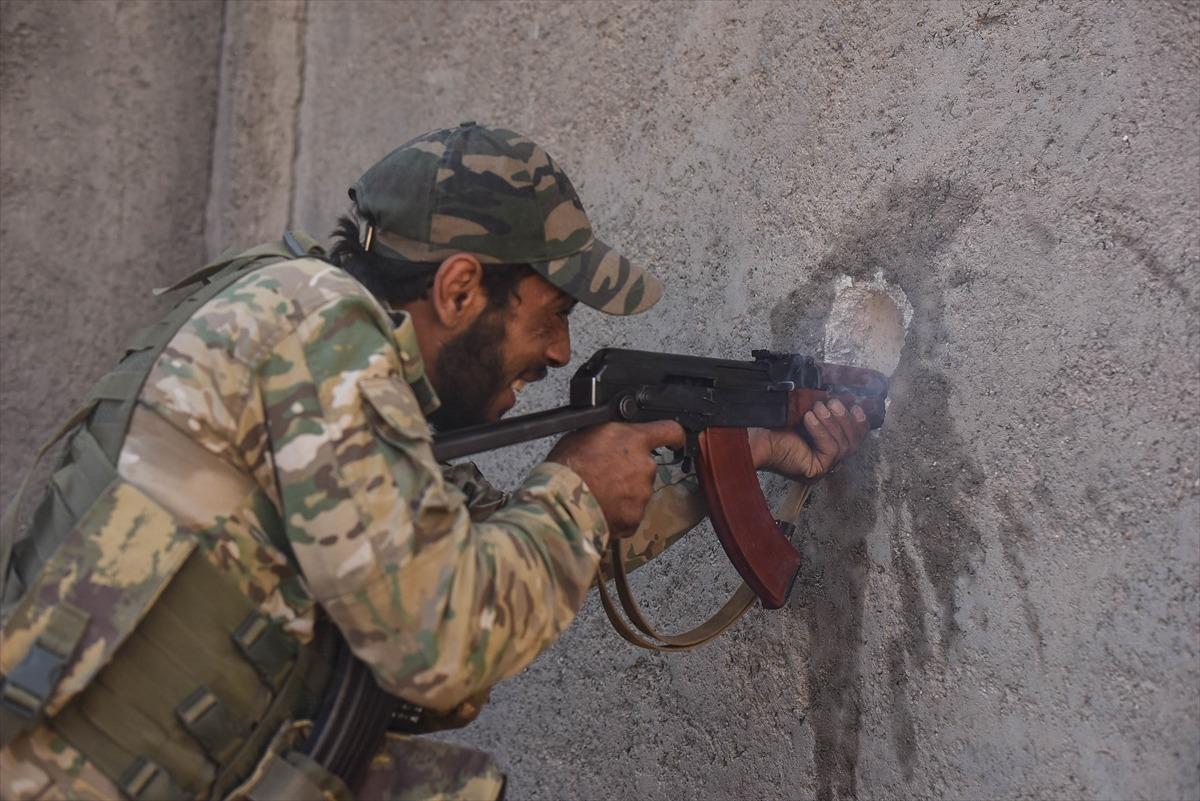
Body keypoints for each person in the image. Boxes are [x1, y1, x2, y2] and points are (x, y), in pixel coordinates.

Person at [0, 123, 869, 801]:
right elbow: (439, 639)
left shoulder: (353, 384)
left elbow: (501, 546)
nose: (561, 352)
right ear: (458, 289)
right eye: (551, 315)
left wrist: (744, 451)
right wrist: (574, 487)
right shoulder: (313, 327)